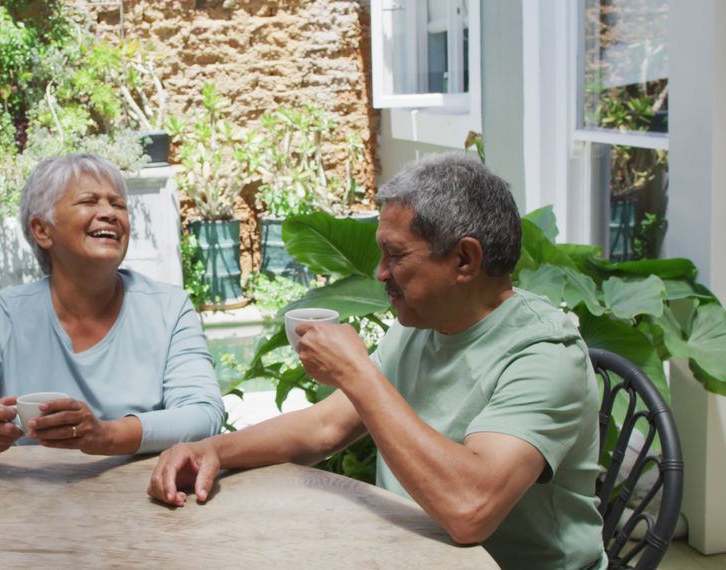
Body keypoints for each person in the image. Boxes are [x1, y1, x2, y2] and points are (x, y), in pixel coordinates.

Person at [147, 153, 605, 570]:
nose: (380, 273)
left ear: (465, 260)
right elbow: (325, 427)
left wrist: (357, 373)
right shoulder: (421, 324)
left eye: (396, 255)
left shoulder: (544, 354)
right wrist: (211, 451)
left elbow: (471, 510)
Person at [0, 153, 225, 458]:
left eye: (118, 204)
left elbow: (204, 415)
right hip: (31, 509)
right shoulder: (0, 316)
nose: (110, 213)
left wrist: (106, 435)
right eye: (88, 201)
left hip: (148, 504)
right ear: (42, 230)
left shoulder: (169, 308)